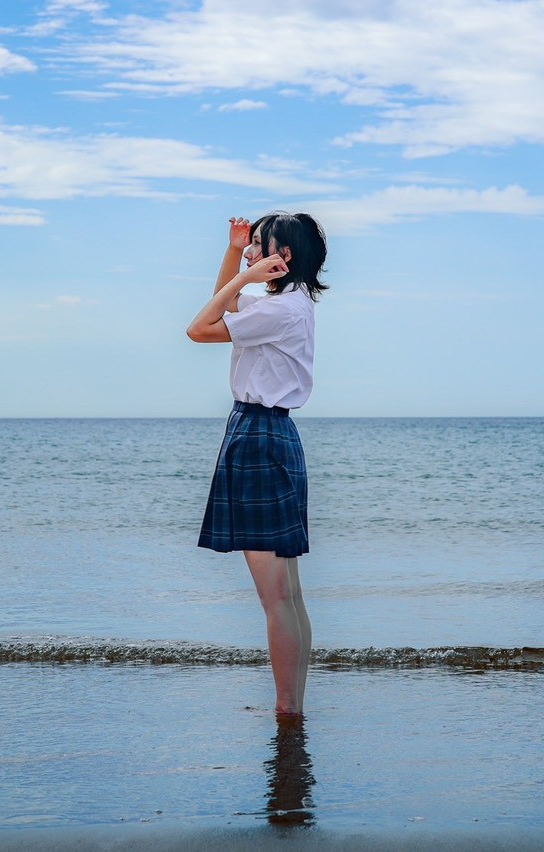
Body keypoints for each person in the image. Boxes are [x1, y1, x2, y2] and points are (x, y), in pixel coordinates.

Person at [186, 211, 329, 717]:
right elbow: (225, 304)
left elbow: (198, 328)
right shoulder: (288, 303)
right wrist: (234, 254)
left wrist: (244, 276)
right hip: (270, 433)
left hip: (259, 437)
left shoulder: (280, 310)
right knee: (288, 595)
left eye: (258, 245)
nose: (250, 251)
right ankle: (293, 707)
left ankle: (287, 709)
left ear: (282, 257)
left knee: (277, 597)